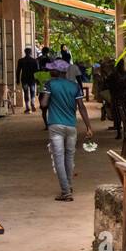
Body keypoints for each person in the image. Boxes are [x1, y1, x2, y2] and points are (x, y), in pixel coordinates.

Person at [44, 59, 95, 201]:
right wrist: (88, 127)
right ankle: (69, 185)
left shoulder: (50, 84)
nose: (50, 71)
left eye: (52, 69)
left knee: (59, 158)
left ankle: (66, 192)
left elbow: (43, 104)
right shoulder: (74, 86)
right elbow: (82, 107)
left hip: (55, 125)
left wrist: (45, 94)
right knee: (69, 158)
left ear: (57, 71)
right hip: (71, 126)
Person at [16, 47, 39, 113]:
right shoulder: (34, 61)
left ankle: (27, 107)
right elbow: (37, 71)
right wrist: (37, 80)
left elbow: (18, 71)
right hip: (32, 79)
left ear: (25, 52)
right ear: (31, 52)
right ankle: (32, 103)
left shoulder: (21, 60)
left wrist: (17, 79)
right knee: (32, 92)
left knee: (26, 92)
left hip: (24, 79)